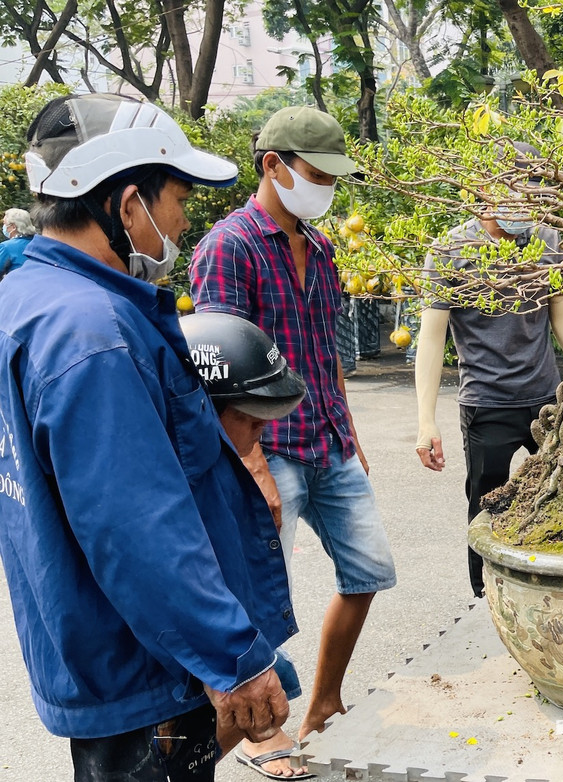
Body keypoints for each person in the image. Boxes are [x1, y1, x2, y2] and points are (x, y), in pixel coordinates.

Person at [0, 92, 293, 781]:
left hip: (93, 644)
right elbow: (138, 527)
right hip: (144, 670)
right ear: (128, 205)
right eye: (179, 199)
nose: (186, 221)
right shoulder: (92, 334)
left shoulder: (27, 296)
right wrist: (235, 662)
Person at [190, 106, 397, 751]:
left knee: (368, 570)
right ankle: (259, 733)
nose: (327, 188)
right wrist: (249, 466)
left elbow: (324, 346)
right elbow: (220, 370)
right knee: (251, 595)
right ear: (273, 166)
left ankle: (325, 699)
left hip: (326, 438)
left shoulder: (322, 244)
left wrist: (349, 426)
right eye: (317, 174)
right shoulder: (230, 246)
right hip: (267, 448)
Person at [413, 142, 563, 599]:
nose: (525, 201)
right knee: (485, 503)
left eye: (532, 190)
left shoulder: (547, 241)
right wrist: (426, 421)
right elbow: (431, 339)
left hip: (548, 397)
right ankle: (485, 593)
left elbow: (562, 316)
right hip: (486, 402)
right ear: (483, 191)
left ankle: (560, 579)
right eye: (515, 188)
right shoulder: (450, 249)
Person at [181, 311, 314, 780]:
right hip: (199, 644)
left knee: (278, 681)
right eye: (251, 424)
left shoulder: (219, 466)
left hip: (224, 636)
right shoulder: (180, 484)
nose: (260, 436)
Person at [0, 207, 36, 278]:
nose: (3, 227)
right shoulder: (40, 243)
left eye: (4, 223)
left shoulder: (6, 247)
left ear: (13, 227)